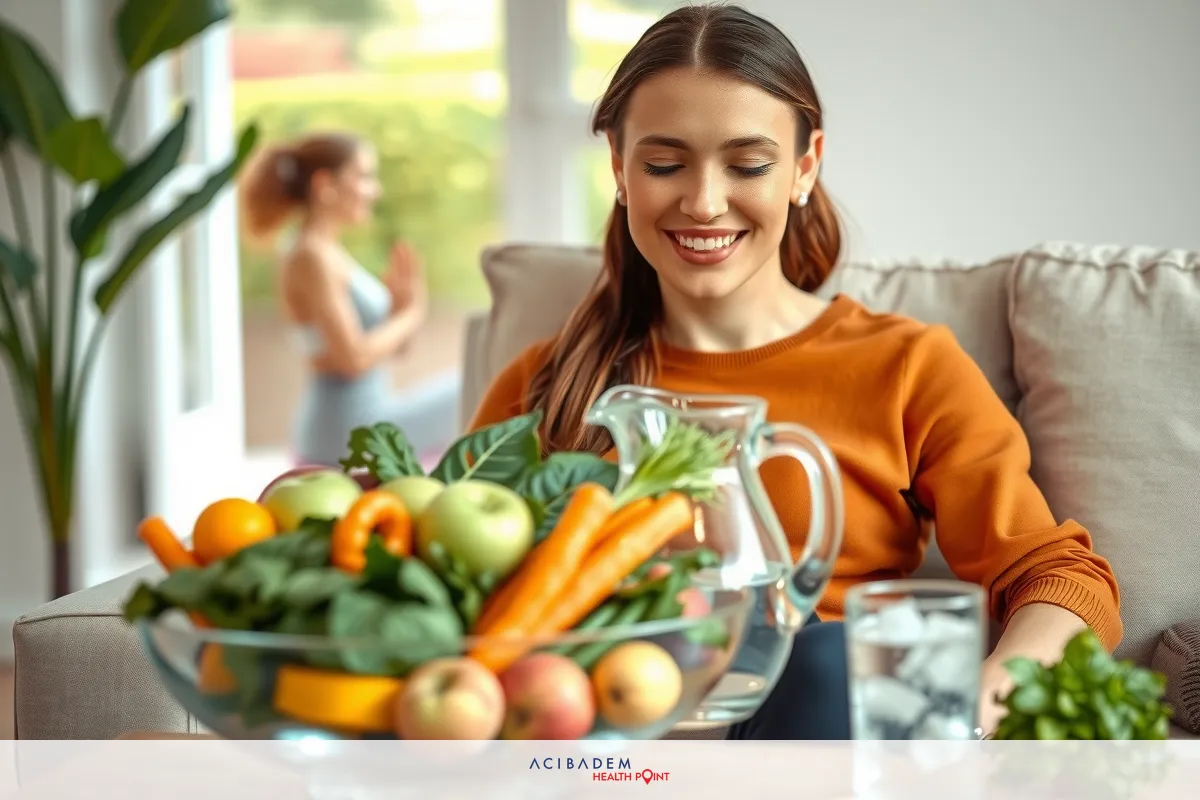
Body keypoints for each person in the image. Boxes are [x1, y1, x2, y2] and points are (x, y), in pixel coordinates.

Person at [467, 3, 1122, 740]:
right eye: (663, 164)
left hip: (822, 731)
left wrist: (972, 714)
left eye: (747, 165)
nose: (704, 202)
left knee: (822, 658)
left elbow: (1059, 579)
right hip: (605, 747)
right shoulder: (547, 384)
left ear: (804, 168)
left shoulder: (904, 365)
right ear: (619, 170)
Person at [240, 132, 457, 467]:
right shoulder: (309, 256)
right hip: (347, 430)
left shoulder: (324, 251)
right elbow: (352, 359)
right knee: (476, 383)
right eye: (365, 176)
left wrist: (399, 309)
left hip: (363, 418)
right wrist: (411, 314)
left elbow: (388, 351)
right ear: (325, 184)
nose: (375, 190)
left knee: (475, 384)